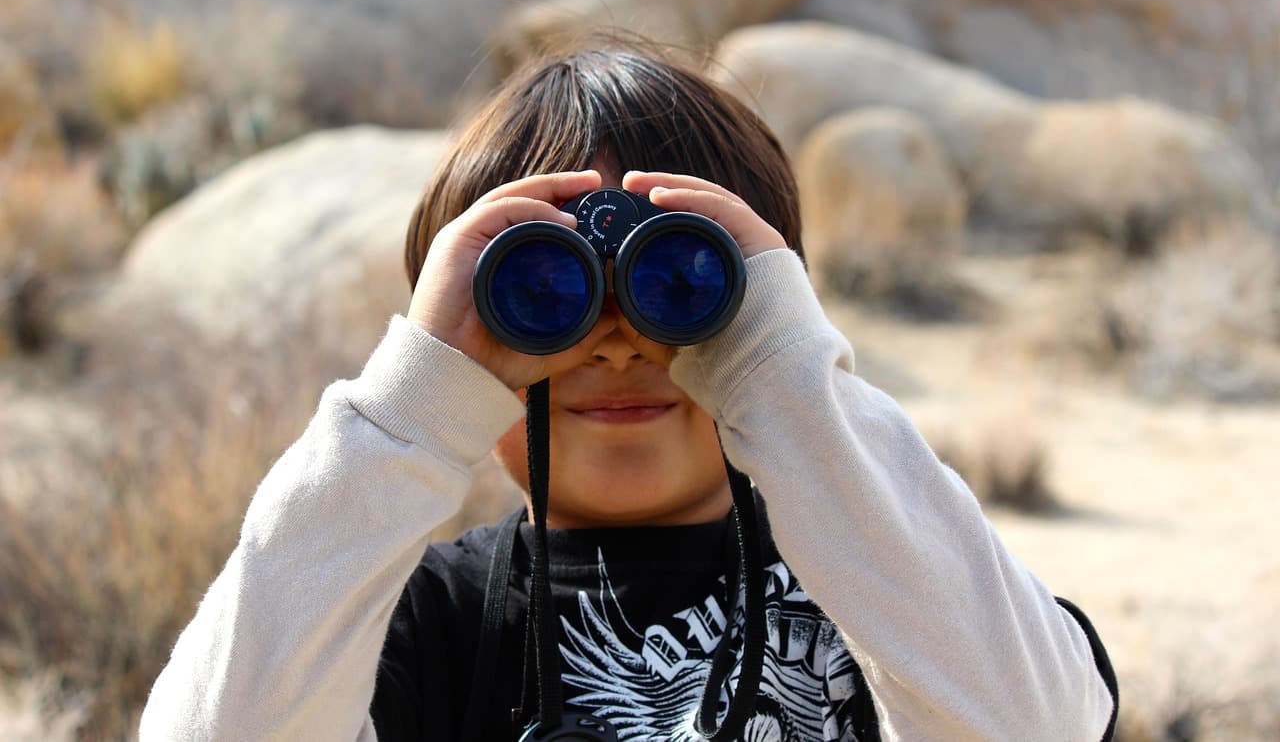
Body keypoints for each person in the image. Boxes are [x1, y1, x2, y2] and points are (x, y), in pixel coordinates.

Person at [140, 46, 1118, 740]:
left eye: (683, 285)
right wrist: (412, 410)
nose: (615, 346)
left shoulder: (882, 578)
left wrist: (785, 383)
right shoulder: (420, 617)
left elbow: (1034, 722)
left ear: (770, 301)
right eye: (540, 291)